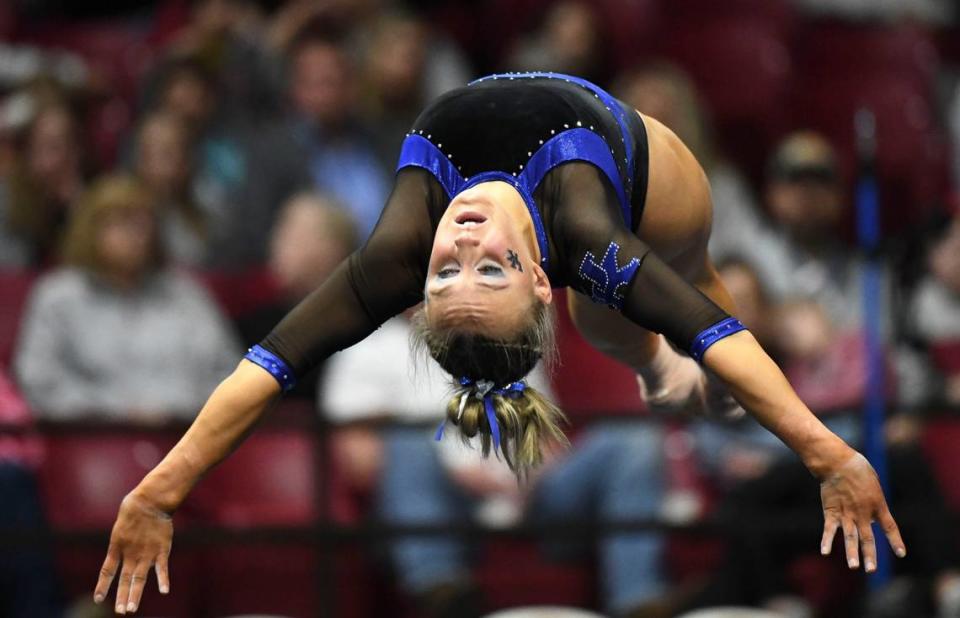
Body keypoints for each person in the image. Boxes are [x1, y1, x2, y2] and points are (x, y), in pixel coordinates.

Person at [94, 72, 904, 615]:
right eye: (493, 270)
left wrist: (160, 491)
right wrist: (829, 453)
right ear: (541, 280)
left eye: (448, 277)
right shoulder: (584, 233)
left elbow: (263, 370)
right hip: (650, 173)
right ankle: (666, 367)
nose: (464, 246)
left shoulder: (394, 255)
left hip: (595, 254)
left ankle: (663, 369)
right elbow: (719, 332)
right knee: (685, 304)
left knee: (636, 319)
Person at [14, 174, 240, 422]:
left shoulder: (188, 295)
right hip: (90, 439)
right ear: (90, 230)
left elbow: (227, 373)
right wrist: (115, 411)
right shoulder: (58, 296)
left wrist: (174, 408)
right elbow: (38, 380)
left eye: (143, 224)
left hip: (183, 434)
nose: (135, 235)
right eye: (120, 223)